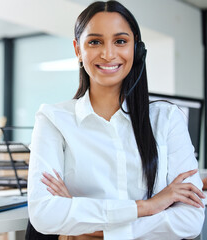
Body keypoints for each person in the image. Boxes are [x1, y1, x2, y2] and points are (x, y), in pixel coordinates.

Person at [27, 1, 205, 239]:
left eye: (120, 41)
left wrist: (91, 226)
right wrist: (147, 207)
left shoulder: (168, 119)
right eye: (95, 42)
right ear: (78, 50)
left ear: (136, 50)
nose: (108, 54)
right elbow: (44, 215)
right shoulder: (53, 119)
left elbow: (190, 221)